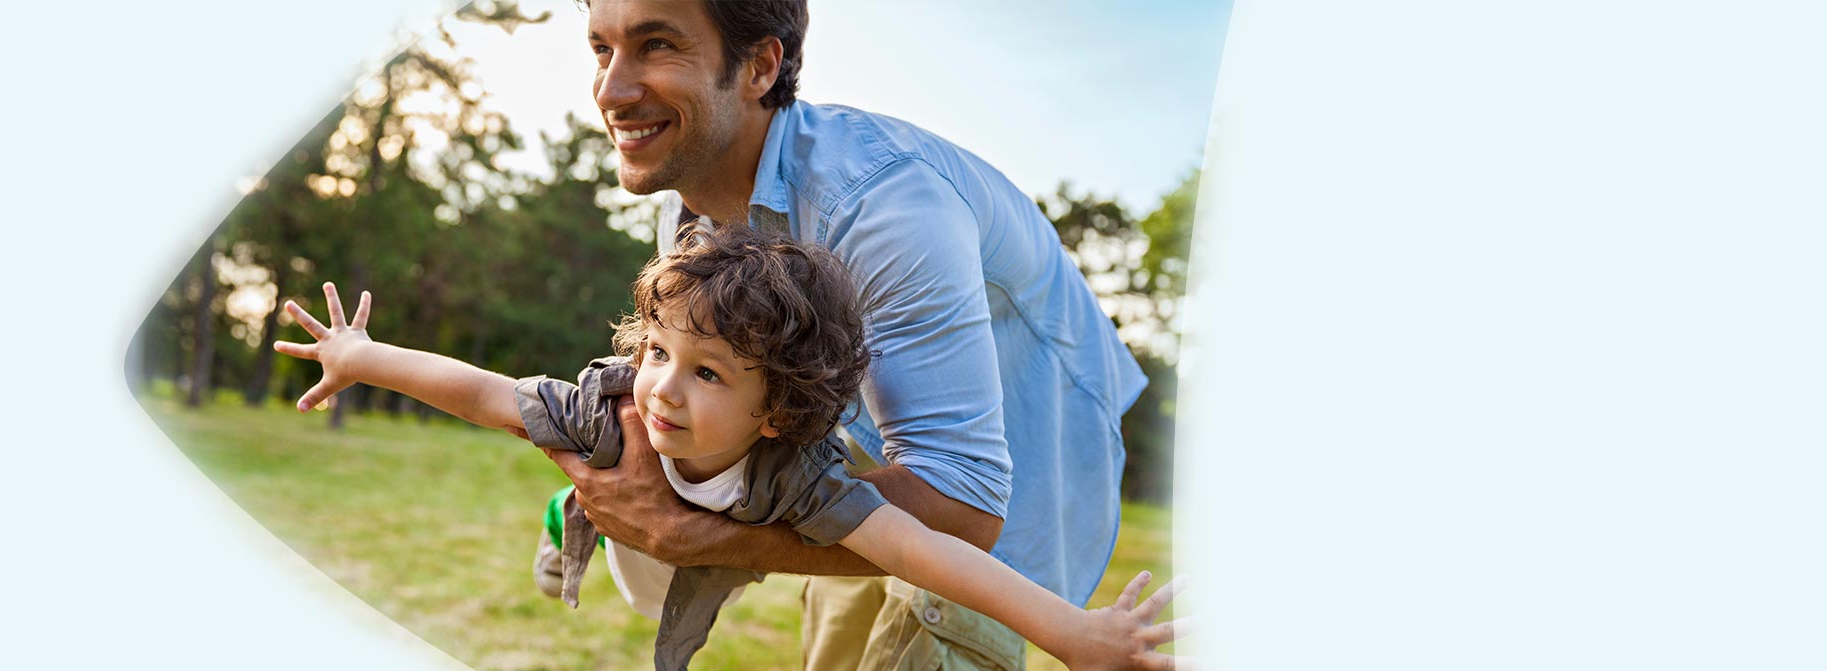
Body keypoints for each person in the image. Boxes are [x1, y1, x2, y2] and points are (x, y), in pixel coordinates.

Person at [272, 225, 1189, 670]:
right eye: (661, 350)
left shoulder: (803, 475)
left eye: (709, 373)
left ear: (776, 412)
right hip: (628, 518)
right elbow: (479, 389)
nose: (668, 384)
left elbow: (934, 555)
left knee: (691, 584)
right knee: (608, 532)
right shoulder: (618, 412)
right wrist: (361, 356)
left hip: (718, 545)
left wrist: (1077, 634)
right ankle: (569, 513)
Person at [556, 0, 1160, 668]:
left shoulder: (881, 205)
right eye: (601, 49)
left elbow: (964, 506)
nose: (610, 89)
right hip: (856, 453)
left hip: (1004, 465)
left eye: (658, 45)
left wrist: (696, 534)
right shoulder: (688, 210)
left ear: (759, 66)